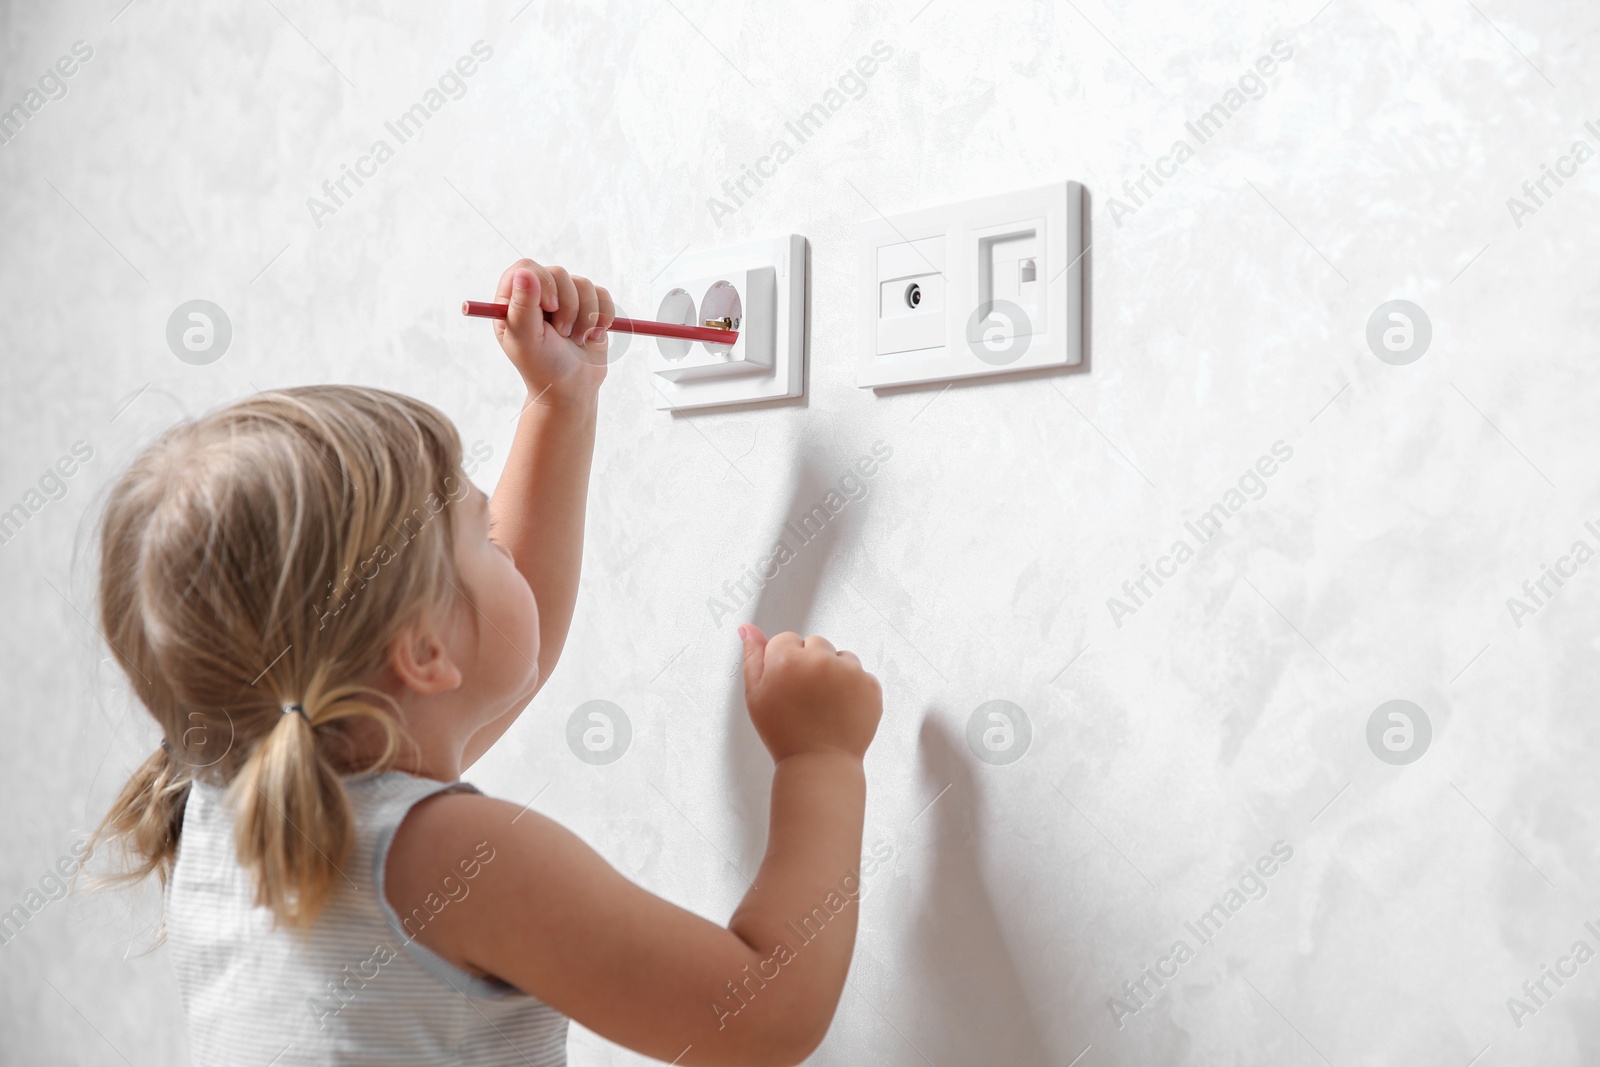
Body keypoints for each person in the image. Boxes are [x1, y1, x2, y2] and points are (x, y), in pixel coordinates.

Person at [87, 259, 883, 1066]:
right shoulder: (451, 853)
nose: (504, 546)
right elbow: (758, 1020)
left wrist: (559, 402)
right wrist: (820, 757)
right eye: (485, 535)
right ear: (423, 652)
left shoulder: (232, 804)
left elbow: (503, 635)